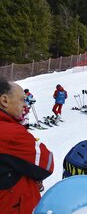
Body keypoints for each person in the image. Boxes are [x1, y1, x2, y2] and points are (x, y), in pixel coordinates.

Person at [0, 78, 54, 213]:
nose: (25, 105)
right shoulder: (10, 132)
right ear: (5, 101)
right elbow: (47, 163)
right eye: (21, 100)